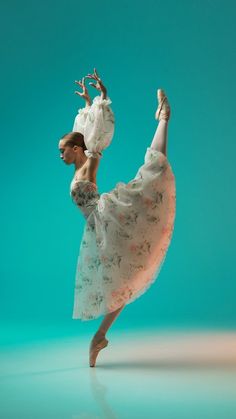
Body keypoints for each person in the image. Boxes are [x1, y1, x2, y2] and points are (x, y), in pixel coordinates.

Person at [58, 68, 176, 367]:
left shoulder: (89, 164)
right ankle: (100, 337)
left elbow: (93, 138)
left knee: (151, 173)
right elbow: (84, 133)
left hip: (108, 218)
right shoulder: (78, 165)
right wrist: (88, 105)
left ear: (76, 150)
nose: (61, 156)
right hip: (100, 228)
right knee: (122, 280)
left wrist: (103, 99)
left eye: (64, 151)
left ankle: (163, 118)